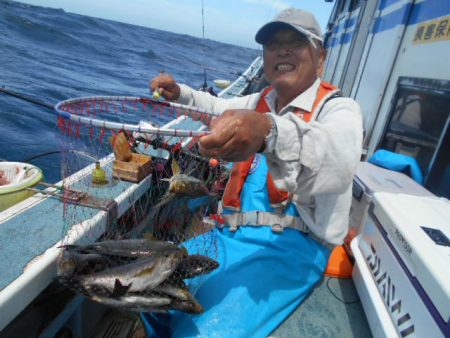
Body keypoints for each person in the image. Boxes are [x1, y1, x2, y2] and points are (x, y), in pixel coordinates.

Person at [143, 7, 363, 338]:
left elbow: (337, 157)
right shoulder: (260, 101)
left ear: (321, 57)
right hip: (229, 236)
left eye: (296, 42)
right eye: (274, 44)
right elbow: (215, 108)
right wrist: (181, 94)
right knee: (148, 289)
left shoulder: (339, 110)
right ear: (265, 57)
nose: (283, 50)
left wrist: (268, 131)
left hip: (292, 250)